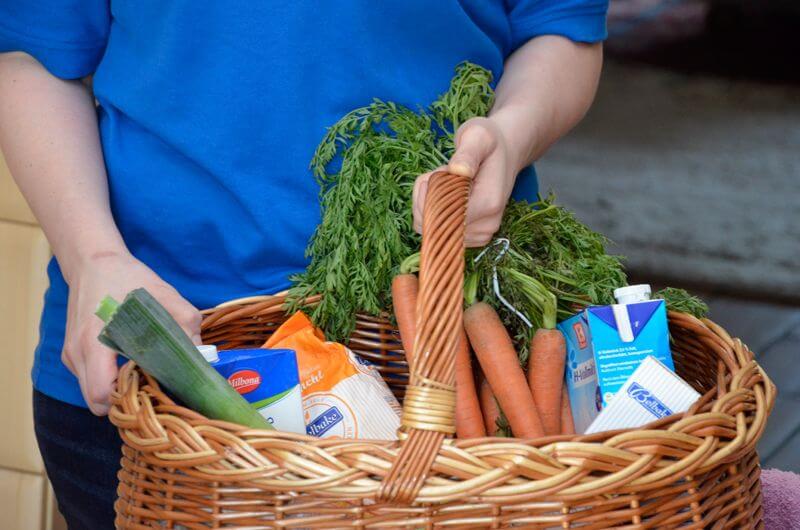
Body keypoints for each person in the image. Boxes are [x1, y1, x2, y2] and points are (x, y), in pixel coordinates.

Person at [0, 1, 606, 528]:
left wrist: (511, 130)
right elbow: (31, 55)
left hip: (452, 378)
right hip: (168, 363)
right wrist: (93, 257)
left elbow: (561, 28)